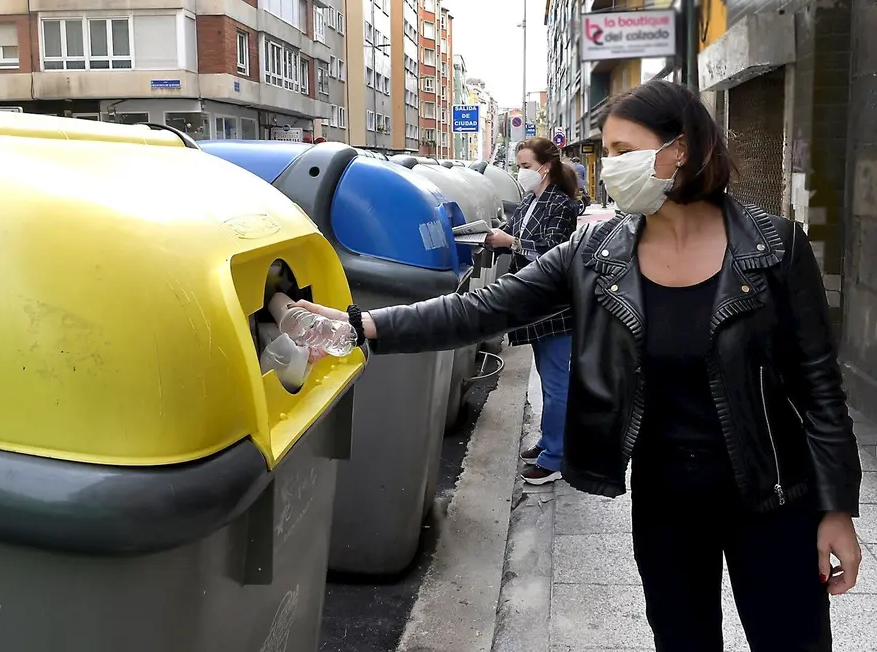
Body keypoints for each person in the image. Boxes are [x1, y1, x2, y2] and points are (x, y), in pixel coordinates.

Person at [293, 80, 862, 651]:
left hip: (776, 499)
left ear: (680, 150)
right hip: (667, 504)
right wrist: (362, 326)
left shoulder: (775, 248)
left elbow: (820, 388)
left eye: (622, 152)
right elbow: (482, 308)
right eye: (607, 153)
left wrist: (838, 510)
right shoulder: (598, 253)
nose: (609, 169)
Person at [484, 137, 579, 484]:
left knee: (556, 384)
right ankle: (548, 442)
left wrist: (512, 242)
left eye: (525, 166)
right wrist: (489, 235)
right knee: (548, 379)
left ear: (546, 167)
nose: (520, 172)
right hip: (534, 303)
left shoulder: (561, 205)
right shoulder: (530, 201)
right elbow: (508, 232)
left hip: (554, 306)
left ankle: (555, 458)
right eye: (519, 166)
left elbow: (554, 251)